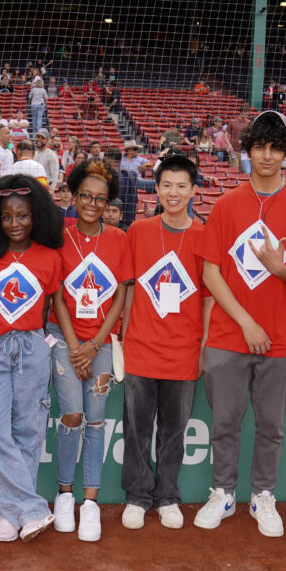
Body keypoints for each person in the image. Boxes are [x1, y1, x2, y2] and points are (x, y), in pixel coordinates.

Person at [196, 111, 286, 537]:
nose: (267, 156)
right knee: (224, 423)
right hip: (228, 335)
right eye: (259, 147)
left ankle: (264, 495)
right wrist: (246, 323)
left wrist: (280, 268)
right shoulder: (226, 204)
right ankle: (223, 492)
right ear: (248, 150)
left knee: (271, 425)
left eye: (275, 148)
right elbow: (211, 273)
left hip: (283, 337)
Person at [0, 174, 64, 543]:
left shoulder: (50, 257)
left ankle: (7, 513)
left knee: (29, 429)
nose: (15, 224)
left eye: (22, 216)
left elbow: (50, 305)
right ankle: (32, 509)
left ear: (36, 215)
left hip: (32, 347)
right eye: (6, 217)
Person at [120, 155, 211, 530]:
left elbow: (208, 296)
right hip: (141, 349)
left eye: (181, 186)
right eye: (166, 185)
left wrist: (204, 344)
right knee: (137, 429)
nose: (173, 193)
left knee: (174, 431)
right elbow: (127, 289)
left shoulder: (205, 236)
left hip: (184, 352)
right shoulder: (138, 232)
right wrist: (123, 338)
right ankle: (138, 496)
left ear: (193, 190)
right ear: (156, 189)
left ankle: (168, 495)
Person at [48, 160, 129, 542]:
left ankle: (91, 502)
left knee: (96, 420)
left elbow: (120, 295)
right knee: (72, 416)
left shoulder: (119, 239)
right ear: (73, 195)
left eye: (101, 199)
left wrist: (95, 343)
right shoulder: (58, 236)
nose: (93, 204)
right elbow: (58, 295)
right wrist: (76, 345)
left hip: (100, 340)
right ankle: (64, 494)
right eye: (85, 196)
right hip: (64, 338)